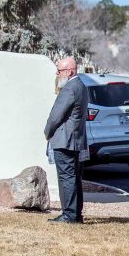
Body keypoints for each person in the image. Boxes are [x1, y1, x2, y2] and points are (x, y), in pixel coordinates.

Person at [43, 55, 90, 224]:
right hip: (76, 139)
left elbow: (56, 116)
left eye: (60, 70)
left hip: (65, 140)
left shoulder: (70, 88)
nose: (57, 73)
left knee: (67, 178)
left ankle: (69, 215)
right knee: (75, 177)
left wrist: (47, 132)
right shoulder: (82, 86)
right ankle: (76, 214)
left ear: (70, 71)